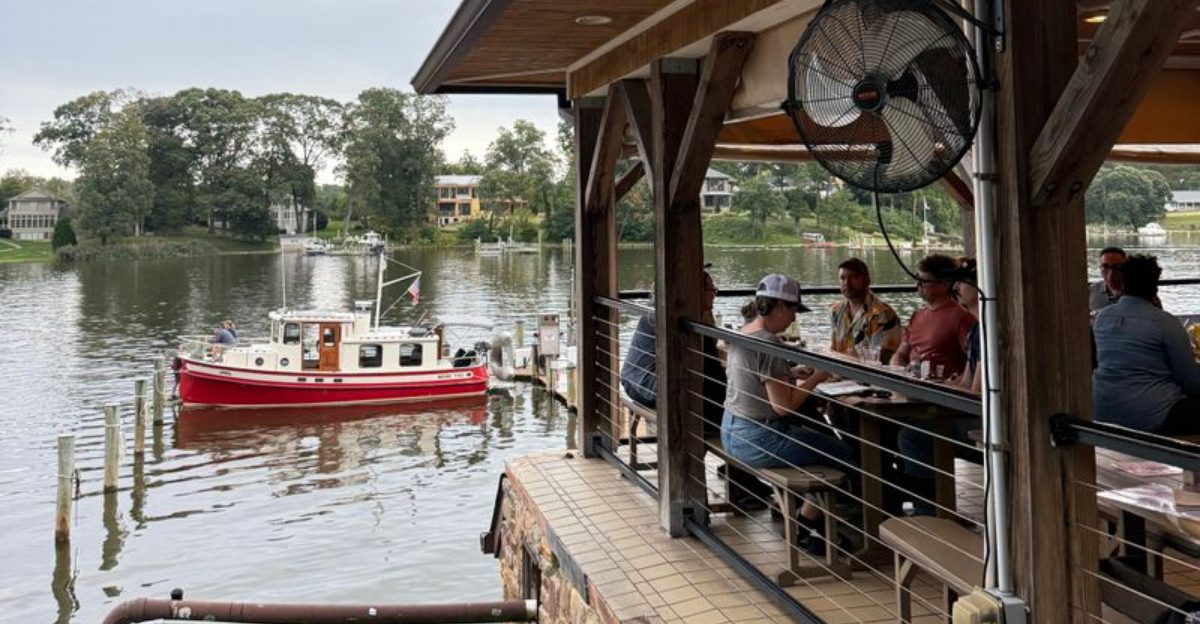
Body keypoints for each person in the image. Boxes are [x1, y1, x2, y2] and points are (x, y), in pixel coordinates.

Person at [618, 270, 773, 510]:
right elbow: (716, 377)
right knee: (733, 413)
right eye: (711, 290)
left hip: (635, 379)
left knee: (724, 410)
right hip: (651, 385)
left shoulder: (664, 309)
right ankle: (741, 483)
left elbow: (709, 371)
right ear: (694, 292)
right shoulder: (689, 321)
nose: (714, 295)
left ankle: (741, 478)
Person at [722, 274, 851, 552]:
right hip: (758, 437)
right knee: (841, 453)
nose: (793, 319)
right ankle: (805, 526)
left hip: (732, 430)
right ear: (780, 306)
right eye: (793, 310)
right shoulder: (769, 343)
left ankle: (808, 518)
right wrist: (818, 376)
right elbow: (783, 407)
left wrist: (789, 373)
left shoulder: (744, 332)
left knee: (818, 443)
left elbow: (755, 377)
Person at [1093, 255, 1200, 434]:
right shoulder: (1165, 322)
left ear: (1123, 282)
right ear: (1154, 285)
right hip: (1152, 414)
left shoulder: (1102, 317)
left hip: (1102, 408)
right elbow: (1190, 380)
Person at [890, 254, 974, 379]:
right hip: (912, 386)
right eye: (917, 279)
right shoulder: (916, 316)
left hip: (941, 392)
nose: (917, 285)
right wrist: (900, 373)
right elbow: (901, 353)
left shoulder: (961, 317)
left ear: (944, 284)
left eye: (924, 281)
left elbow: (975, 361)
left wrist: (956, 384)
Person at [829, 257, 902, 365]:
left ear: (867, 281)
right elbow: (834, 349)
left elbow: (881, 361)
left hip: (867, 377)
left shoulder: (882, 315)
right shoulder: (836, 311)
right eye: (842, 278)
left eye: (854, 277)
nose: (847, 283)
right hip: (838, 372)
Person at [951, 258, 982, 394]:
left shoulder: (988, 331)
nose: (955, 287)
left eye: (961, 281)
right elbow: (966, 383)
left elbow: (976, 392)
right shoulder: (976, 329)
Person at [1089, 246, 1126, 317]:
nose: (1111, 273)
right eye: (1105, 267)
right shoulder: (1092, 291)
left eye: (1116, 267)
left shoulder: (1135, 294)